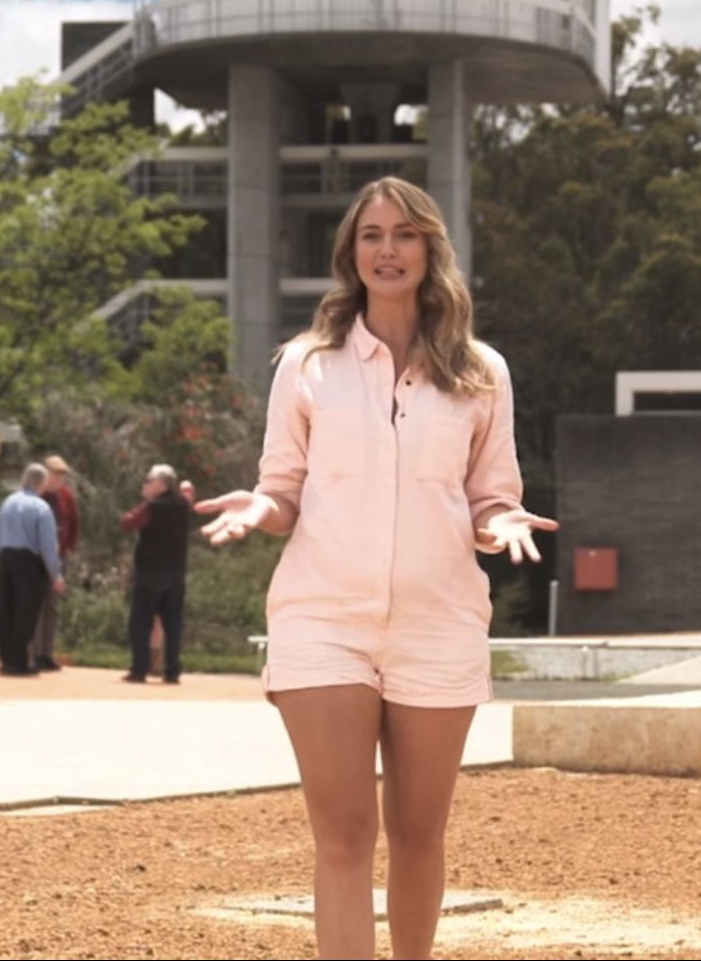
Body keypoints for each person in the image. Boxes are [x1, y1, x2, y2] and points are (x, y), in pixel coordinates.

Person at [197, 176, 555, 960]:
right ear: (350, 253)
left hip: (438, 623)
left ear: (429, 248)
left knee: (419, 834)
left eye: (403, 234)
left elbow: (490, 495)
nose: (386, 250)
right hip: (322, 620)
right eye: (371, 235)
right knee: (344, 834)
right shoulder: (307, 363)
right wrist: (261, 507)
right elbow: (282, 487)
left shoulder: (481, 371)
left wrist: (500, 520)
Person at [119, 463, 192, 684]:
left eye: (149, 481)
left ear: (161, 484)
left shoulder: (152, 506)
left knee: (140, 623)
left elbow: (128, 523)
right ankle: (172, 671)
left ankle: (139, 669)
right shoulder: (183, 505)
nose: (145, 484)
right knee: (173, 625)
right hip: (176, 572)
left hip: (150, 572)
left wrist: (143, 503)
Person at [0, 462, 64, 677]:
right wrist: (55, 573)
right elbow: (48, 545)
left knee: (6, 610)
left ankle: (6, 659)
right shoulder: (41, 508)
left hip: (6, 558)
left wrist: (0, 560)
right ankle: (20, 661)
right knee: (26, 612)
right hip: (29, 561)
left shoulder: (7, 503)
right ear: (41, 483)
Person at [32, 453, 79, 671]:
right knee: (36, 604)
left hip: (59, 556)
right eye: (55, 474)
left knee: (52, 605)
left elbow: (74, 522)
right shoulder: (36, 496)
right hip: (37, 556)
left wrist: (68, 546)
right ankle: (33, 652)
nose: (58, 479)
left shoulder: (66, 496)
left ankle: (46, 653)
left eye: (61, 475)